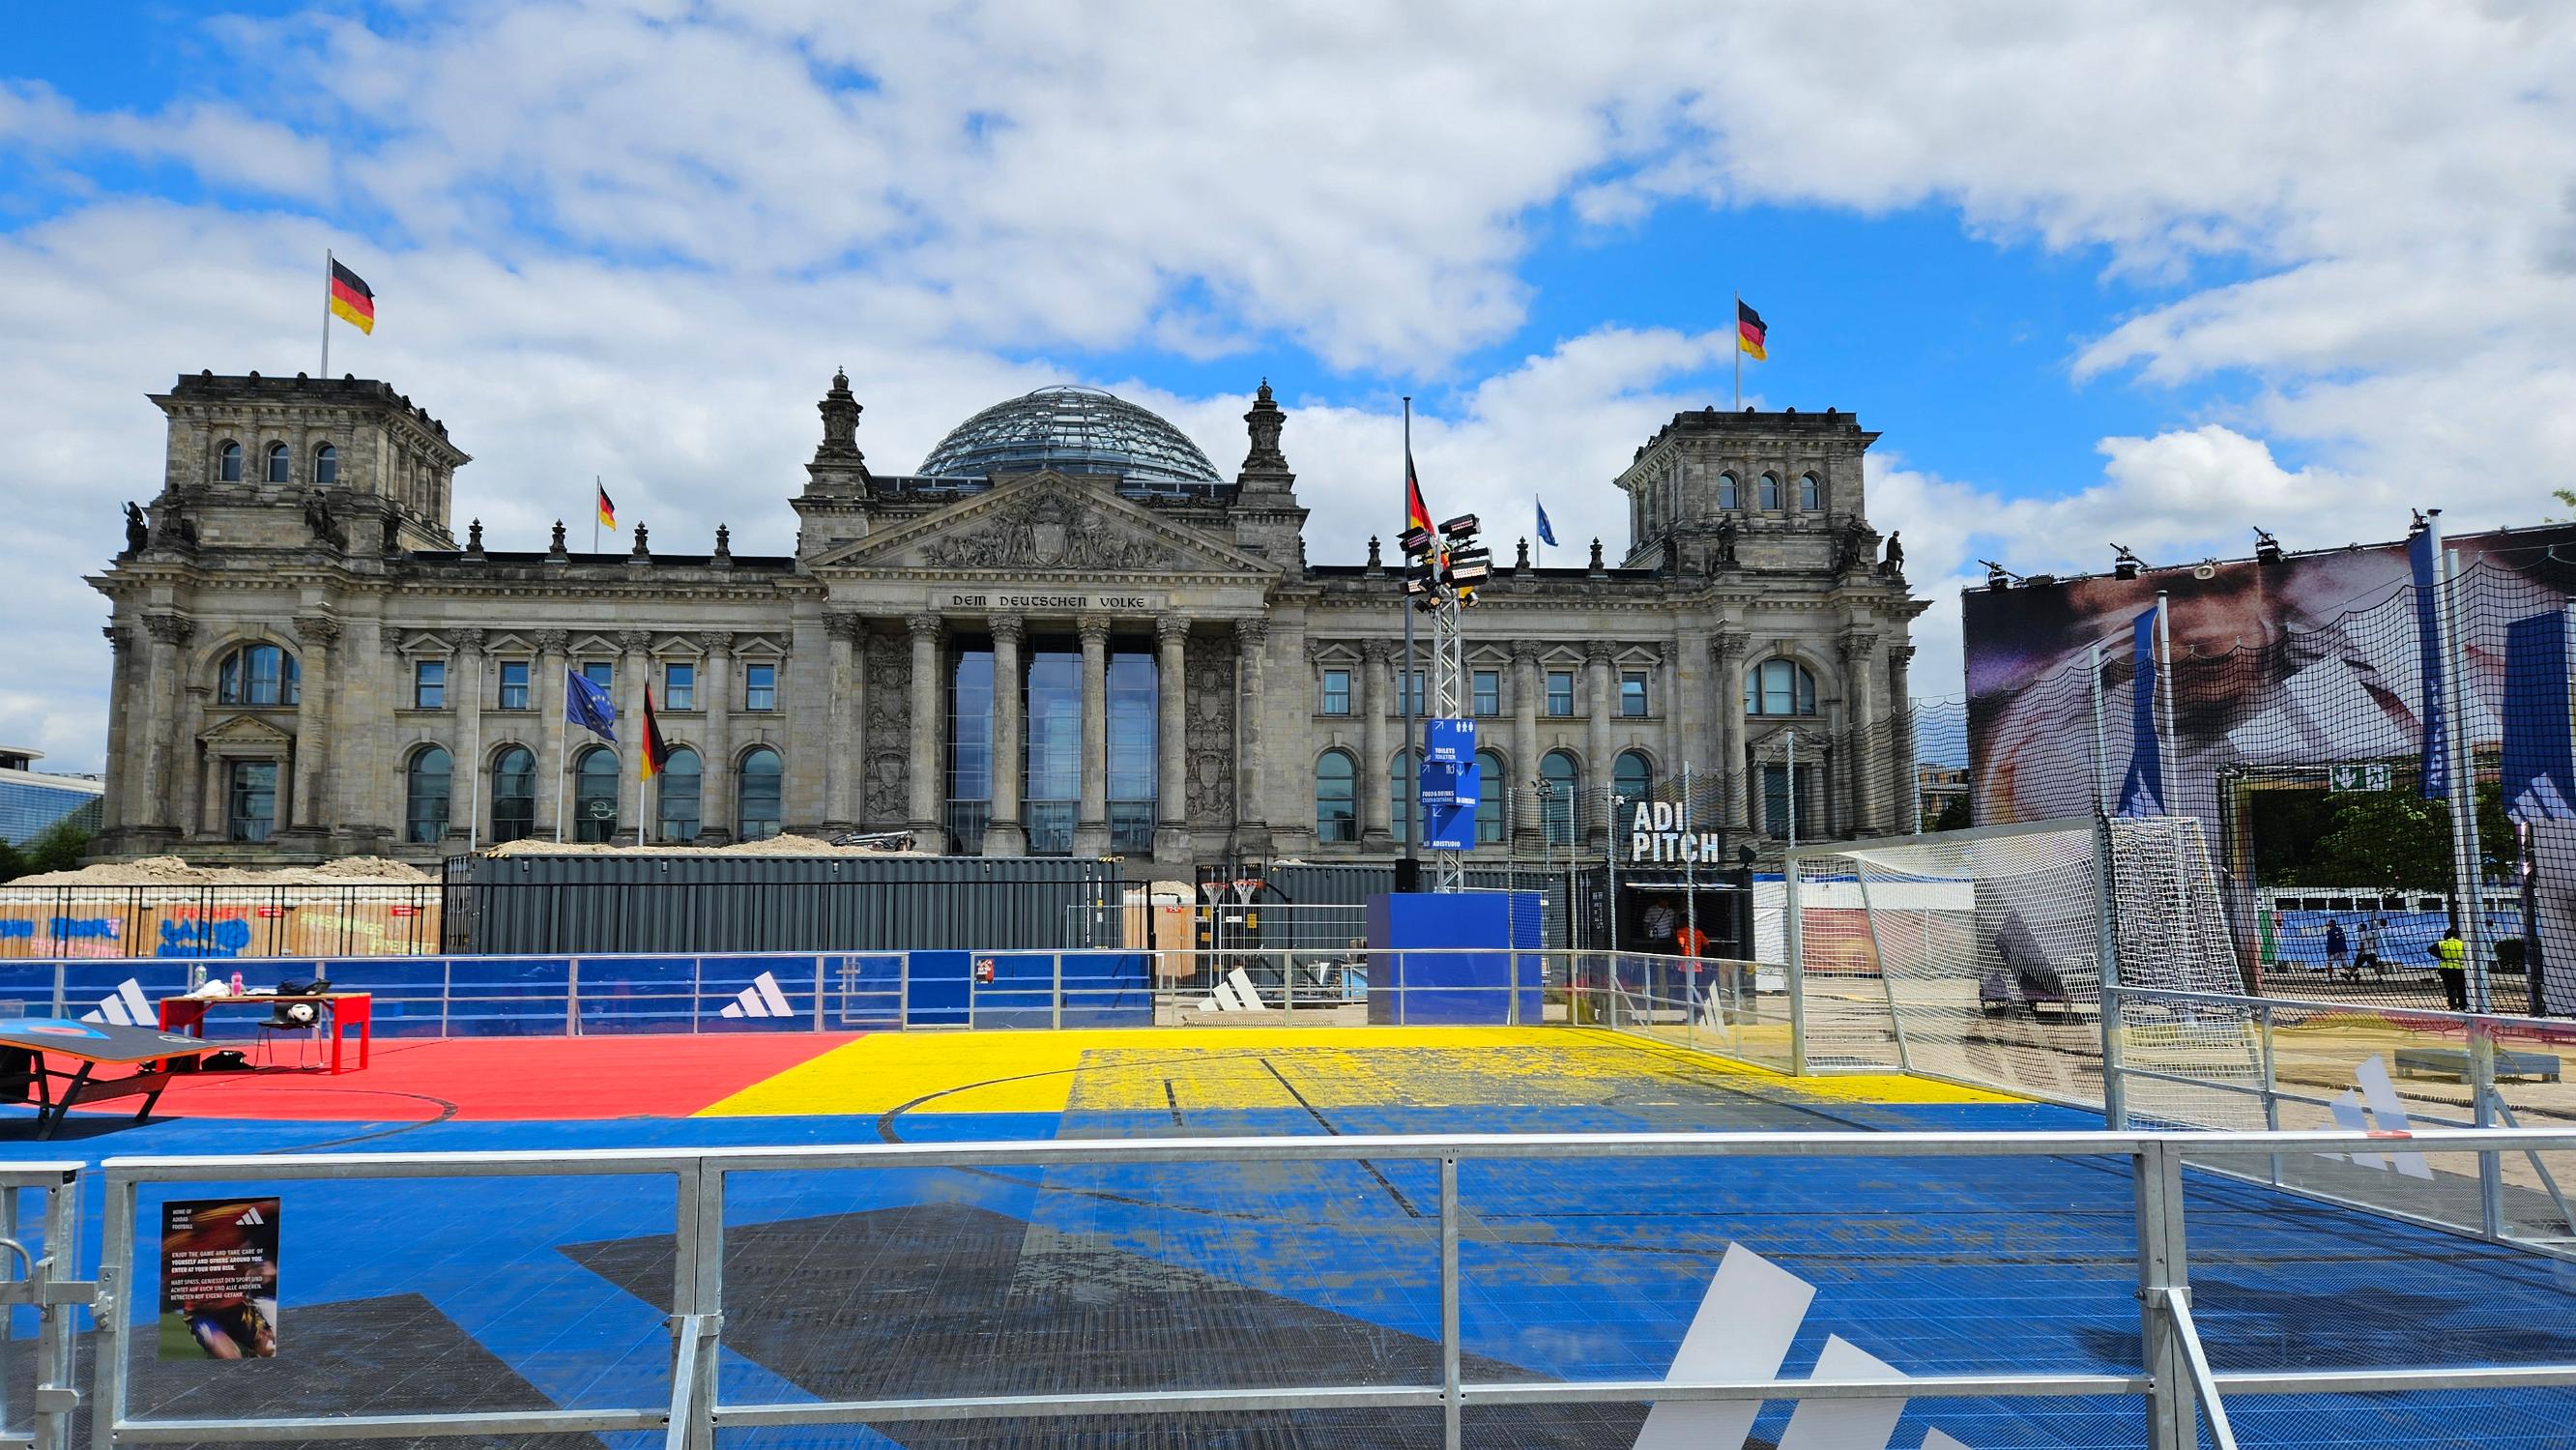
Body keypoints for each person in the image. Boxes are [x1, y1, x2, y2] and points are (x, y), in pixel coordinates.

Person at [2431, 926, 2469, 1011]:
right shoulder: (2462, 944)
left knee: (2450, 988)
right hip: (2460, 968)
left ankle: (2453, 1005)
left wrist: (2441, 956)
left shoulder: (2442, 943)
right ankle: (2463, 1005)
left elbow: (2430, 949)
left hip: (2446, 969)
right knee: (2461, 988)